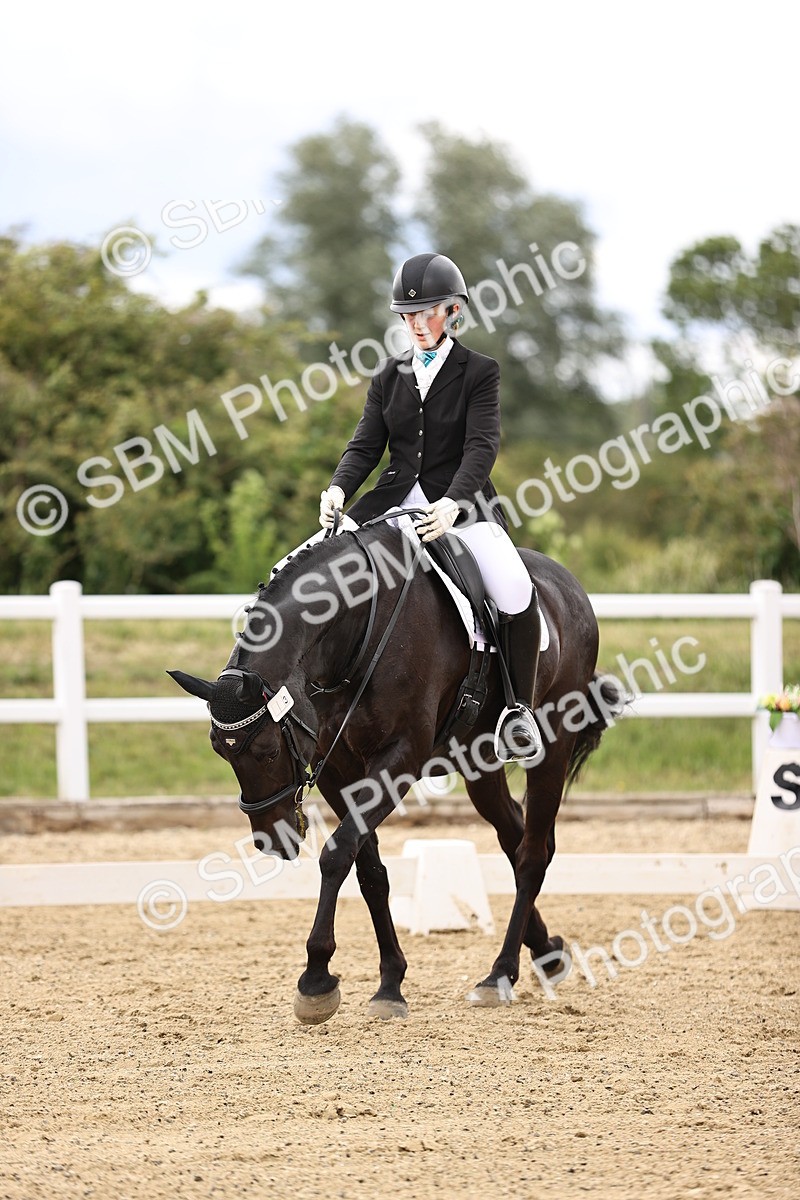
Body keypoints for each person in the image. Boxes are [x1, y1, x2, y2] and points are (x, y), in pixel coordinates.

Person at [319, 252, 543, 763]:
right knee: (313, 560)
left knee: (512, 585)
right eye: (407, 316)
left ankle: (517, 711)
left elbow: (482, 446)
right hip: (392, 502)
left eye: (427, 313)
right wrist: (338, 488)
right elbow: (364, 448)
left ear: (454, 312)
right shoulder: (388, 376)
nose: (416, 324)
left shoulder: (479, 372)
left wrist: (452, 504)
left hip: (462, 504)